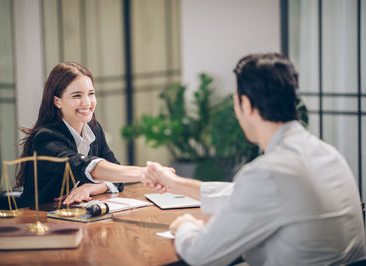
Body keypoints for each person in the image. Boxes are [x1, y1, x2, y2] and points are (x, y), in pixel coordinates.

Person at [145, 53, 366, 265]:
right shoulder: (328, 154)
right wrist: (175, 183)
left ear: (246, 105)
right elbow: (248, 195)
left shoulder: (268, 173)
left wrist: (185, 226)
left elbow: (200, 254)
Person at [16, 62, 147, 207]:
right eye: (76, 95)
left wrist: (91, 188)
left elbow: (116, 175)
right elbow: (82, 166)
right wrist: (144, 173)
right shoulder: (46, 138)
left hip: (74, 216)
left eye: (91, 94)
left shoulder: (94, 129)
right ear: (57, 101)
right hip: (39, 219)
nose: (87, 102)